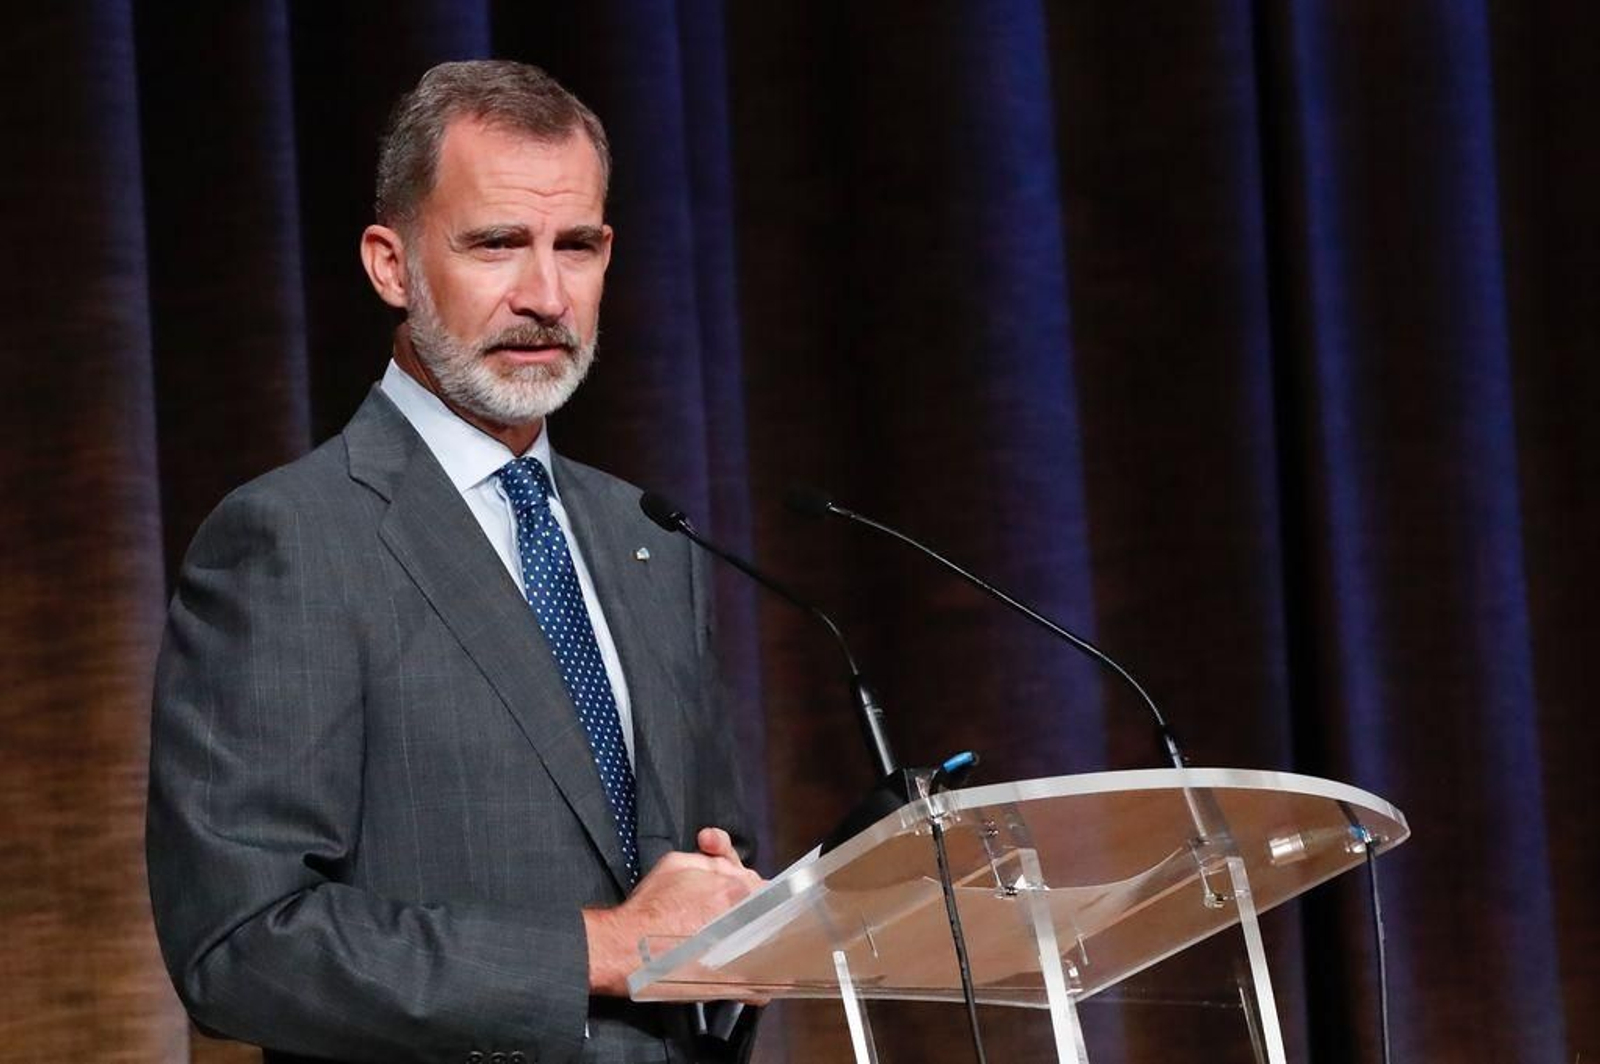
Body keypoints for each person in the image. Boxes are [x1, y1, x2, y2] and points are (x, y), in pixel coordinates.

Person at [147, 60, 761, 1064]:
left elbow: (699, 880)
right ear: (392, 265)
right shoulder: (292, 538)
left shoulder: (648, 534)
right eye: (497, 245)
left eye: (577, 246)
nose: (545, 294)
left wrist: (755, 919)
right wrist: (596, 949)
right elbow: (238, 942)